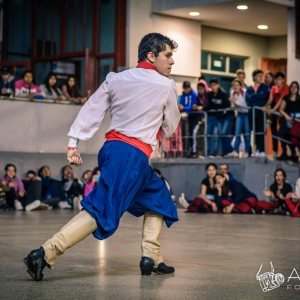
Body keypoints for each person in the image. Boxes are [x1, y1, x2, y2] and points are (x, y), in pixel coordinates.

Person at [24, 32, 181, 281]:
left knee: (159, 195)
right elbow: (171, 124)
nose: (172, 61)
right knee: (101, 208)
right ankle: (45, 253)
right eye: (168, 55)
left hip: (112, 151)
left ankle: (151, 256)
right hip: (131, 156)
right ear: (151, 56)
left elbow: (92, 109)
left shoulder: (116, 78)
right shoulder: (166, 85)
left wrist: (73, 143)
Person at [204, 78, 233, 157]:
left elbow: (226, 105)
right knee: (220, 134)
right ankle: (225, 151)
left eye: (214, 85)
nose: (213, 87)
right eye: (211, 85)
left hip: (227, 116)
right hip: (219, 117)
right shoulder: (210, 95)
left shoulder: (223, 94)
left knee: (223, 133)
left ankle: (229, 150)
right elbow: (210, 105)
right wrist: (202, 108)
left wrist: (215, 107)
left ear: (218, 85)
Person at [262, 72, 289, 157]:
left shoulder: (286, 87)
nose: (277, 81)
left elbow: (281, 100)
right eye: (276, 79)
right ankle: (275, 151)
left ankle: (285, 151)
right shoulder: (274, 87)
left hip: (283, 112)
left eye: (279, 79)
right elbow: (271, 98)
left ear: (283, 80)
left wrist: (273, 109)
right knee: (273, 131)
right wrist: (265, 107)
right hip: (275, 112)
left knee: (282, 132)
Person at [246, 69, 269, 157]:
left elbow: (264, 96)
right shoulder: (249, 88)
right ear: (254, 77)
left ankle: (262, 150)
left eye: (261, 76)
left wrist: (254, 96)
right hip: (252, 112)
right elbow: (248, 99)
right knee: (254, 131)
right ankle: (256, 150)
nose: (261, 77)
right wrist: (257, 97)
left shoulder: (265, 87)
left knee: (261, 131)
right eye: (259, 76)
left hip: (261, 112)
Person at [277, 81, 300, 162]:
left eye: (295, 87)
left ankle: (294, 154)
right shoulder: (286, 98)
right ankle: (285, 153)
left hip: (297, 121)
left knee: (295, 137)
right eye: (292, 87)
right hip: (287, 120)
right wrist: (286, 116)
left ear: (298, 89)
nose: (293, 89)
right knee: (282, 134)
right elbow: (281, 110)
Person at [227, 79, 250, 158]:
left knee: (247, 133)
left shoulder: (245, 92)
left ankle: (247, 152)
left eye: (237, 85)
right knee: (237, 133)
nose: (235, 87)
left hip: (246, 114)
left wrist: (235, 102)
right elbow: (232, 106)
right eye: (234, 85)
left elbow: (245, 106)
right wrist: (233, 103)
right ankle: (234, 151)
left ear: (240, 86)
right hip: (239, 114)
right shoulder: (232, 93)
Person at [178, 81, 199, 157]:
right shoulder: (183, 95)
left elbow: (193, 107)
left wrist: (184, 108)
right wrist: (181, 107)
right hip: (189, 117)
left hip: (196, 116)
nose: (186, 90)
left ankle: (195, 151)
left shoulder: (194, 94)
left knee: (194, 133)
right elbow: (181, 105)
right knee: (189, 133)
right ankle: (191, 150)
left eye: (187, 88)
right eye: (185, 88)